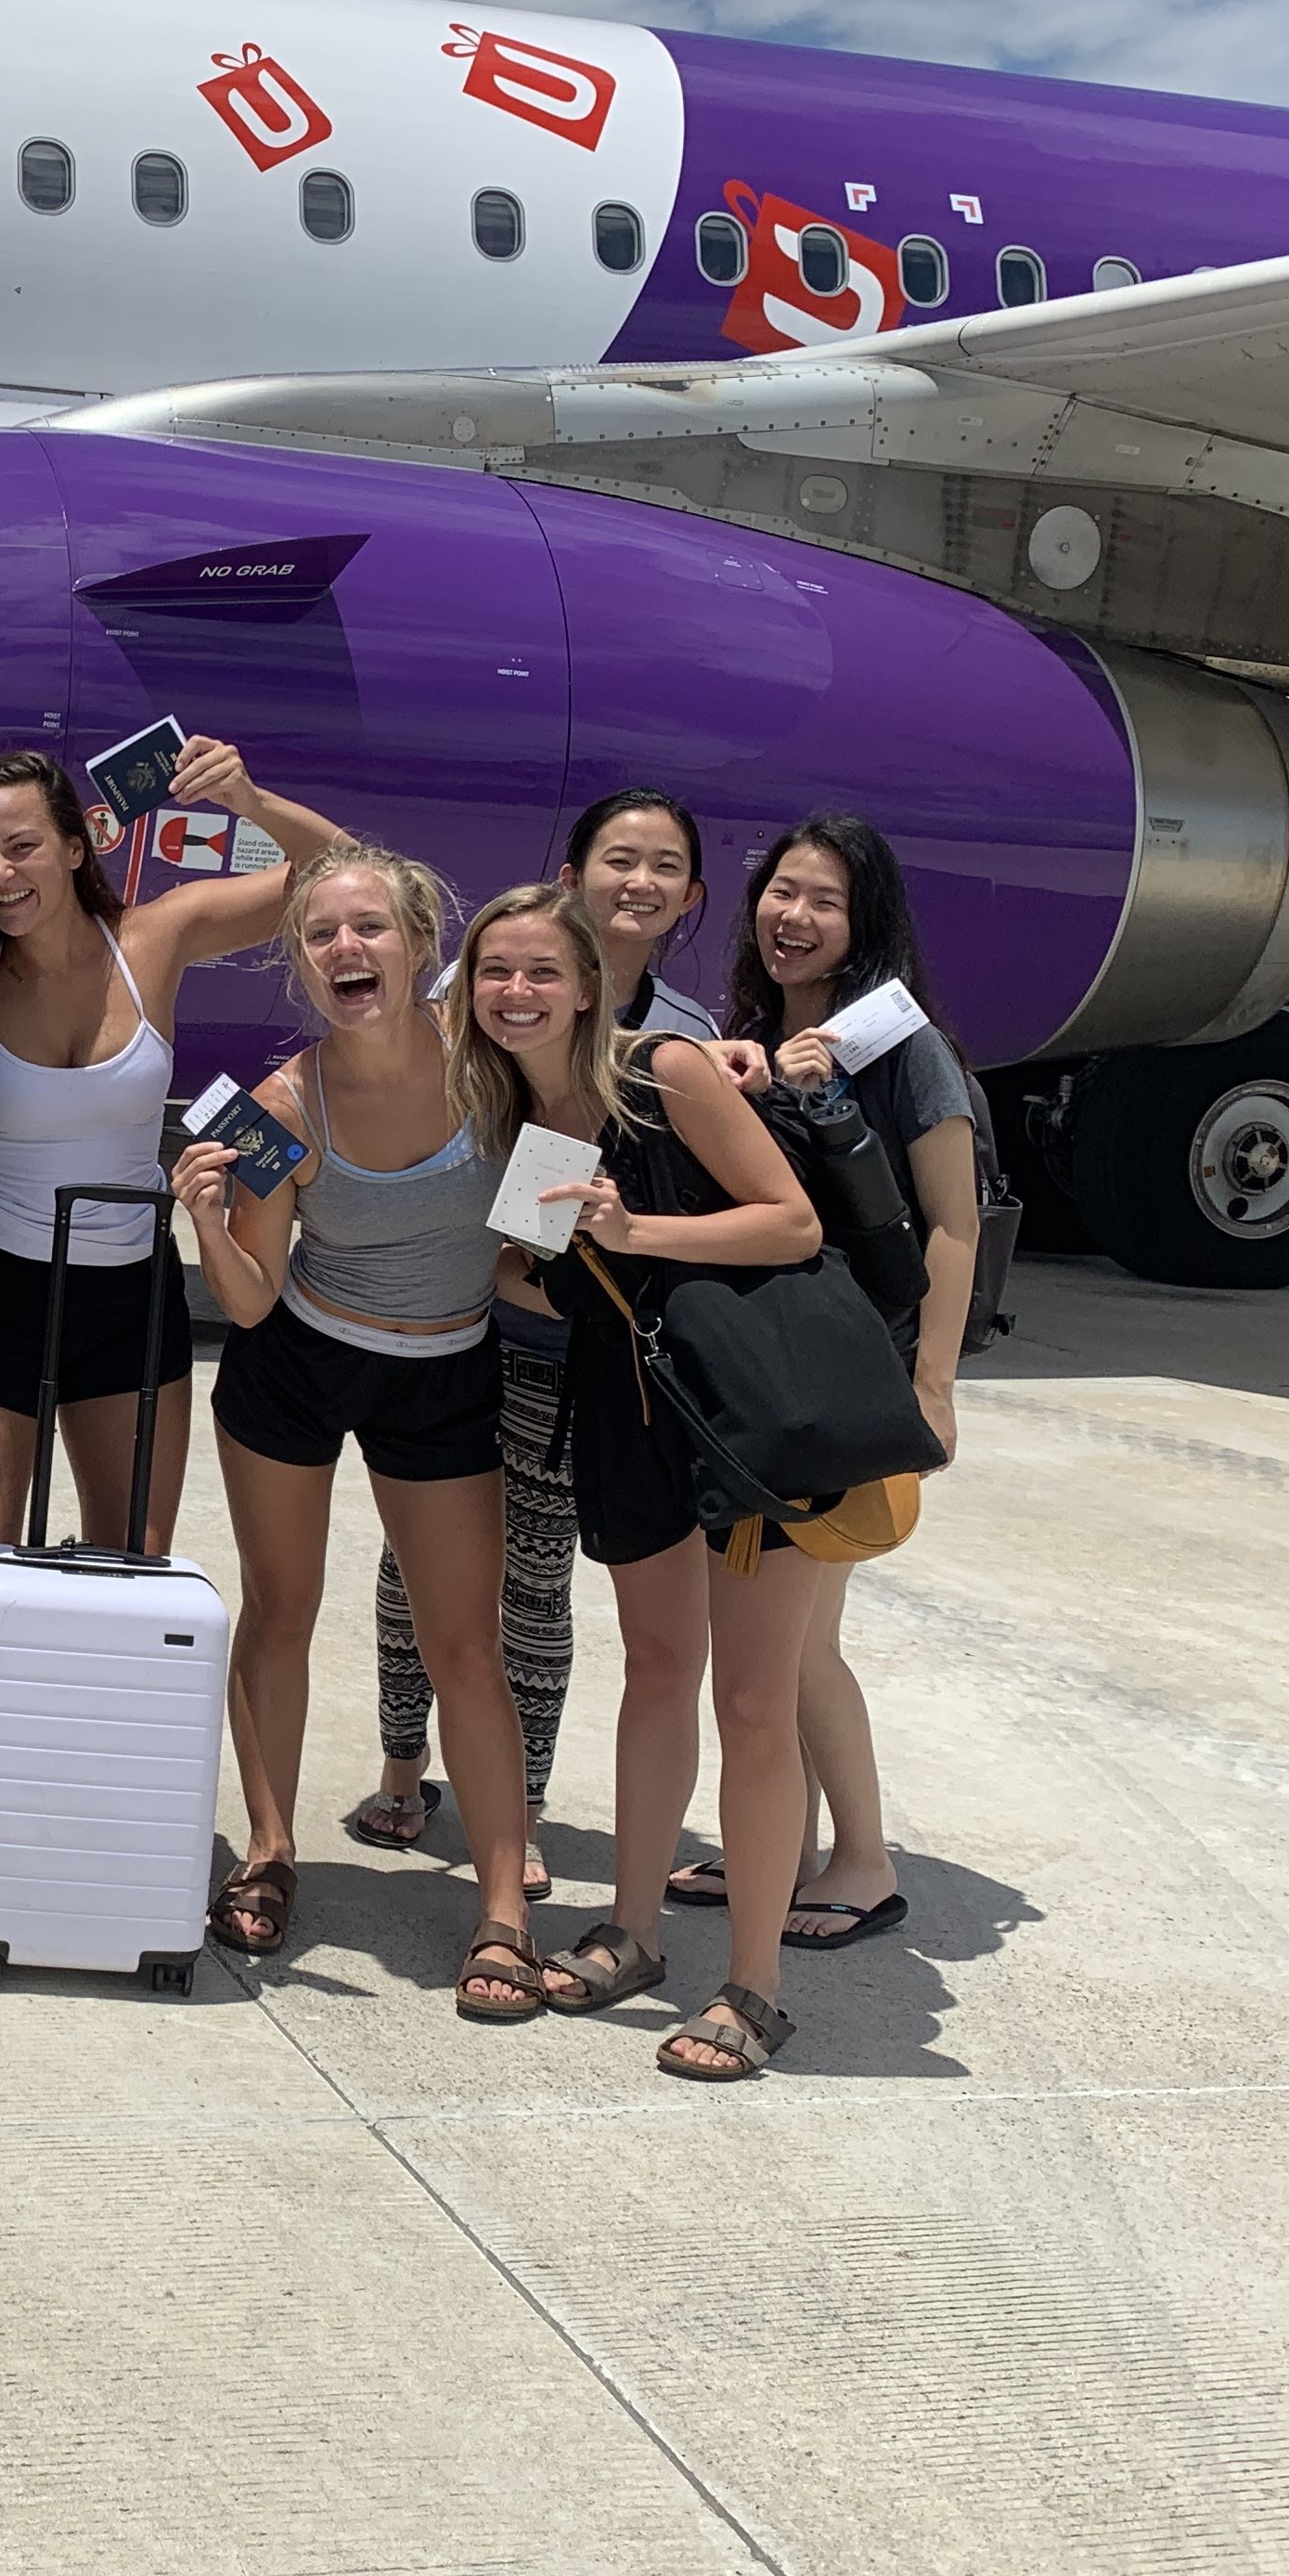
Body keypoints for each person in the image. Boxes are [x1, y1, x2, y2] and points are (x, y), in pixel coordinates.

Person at [0, 739, 341, 1879]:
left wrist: (248, 796)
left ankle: (95, 1774)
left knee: (130, 1556)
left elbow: (341, 875)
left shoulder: (157, 937)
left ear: (79, 842)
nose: (1, 872)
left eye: (24, 845)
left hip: (125, 1292)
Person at [448, 884, 829, 2080]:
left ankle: (755, 1987)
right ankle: (637, 1930)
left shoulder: (665, 1071)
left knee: (757, 1704)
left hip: (750, 1413)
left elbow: (792, 1224)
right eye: (492, 975)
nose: (515, 994)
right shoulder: (525, 1117)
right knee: (661, 1667)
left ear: (588, 986)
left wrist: (638, 1234)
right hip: (629, 1407)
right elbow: (531, 1276)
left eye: (539, 974)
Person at [173, 844, 538, 2005]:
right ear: (299, 963)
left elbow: (539, 1257)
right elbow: (250, 1299)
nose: (347, 949)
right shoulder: (286, 1103)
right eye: (322, 934)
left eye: (371, 927)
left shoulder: (500, 1073)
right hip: (299, 1365)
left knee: (465, 1648)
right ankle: (273, 1851)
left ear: (424, 947)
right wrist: (207, 1220)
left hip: (443, 1375)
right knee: (281, 1611)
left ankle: (502, 1907)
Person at [351, 789, 719, 1890]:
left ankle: (525, 1803)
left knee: (537, 1584)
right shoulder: (483, 996)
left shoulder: (685, 1045)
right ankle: (404, 1763)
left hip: (587, 1359)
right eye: (618, 859)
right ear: (574, 874)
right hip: (468, 1330)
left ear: (692, 898)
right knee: (418, 1566)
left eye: (664, 867)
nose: (637, 884)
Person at [659, 810, 978, 1948]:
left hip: (856, 1373)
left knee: (801, 1641)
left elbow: (953, 1224)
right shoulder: (755, 1038)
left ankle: (862, 1860)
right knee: (783, 1632)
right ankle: (784, 1846)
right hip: (779, 1371)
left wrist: (932, 1382)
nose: (793, 917)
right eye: (781, 892)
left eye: (824, 901)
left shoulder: (903, 1048)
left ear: (866, 924)